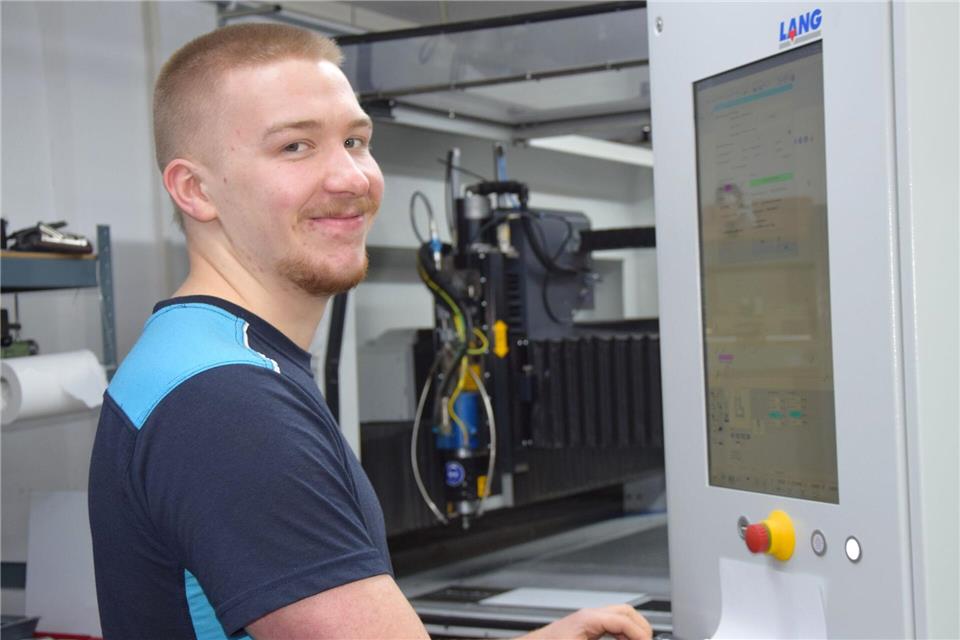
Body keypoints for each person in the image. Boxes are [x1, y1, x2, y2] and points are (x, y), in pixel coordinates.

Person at [88, 22, 653, 640]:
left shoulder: (194, 353)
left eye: (356, 140)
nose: (353, 179)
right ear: (195, 190)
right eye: (295, 147)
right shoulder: (226, 404)